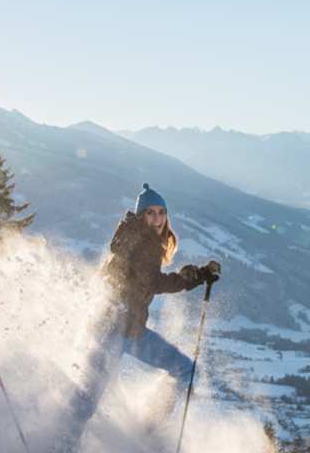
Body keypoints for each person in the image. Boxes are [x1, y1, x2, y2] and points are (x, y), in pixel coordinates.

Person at [56, 183, 221, 451]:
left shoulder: (135, 238)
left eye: (161, 212)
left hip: (127, 329)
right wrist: (197, 276)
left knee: (183, 371)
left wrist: (196, 276)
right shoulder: (142, 242)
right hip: (114, 328)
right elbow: (154, 282)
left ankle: (136, 432)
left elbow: (138, 279)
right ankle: (140, 432)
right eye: (150, 213)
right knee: (89, 397)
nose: (157, 218)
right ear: (141, 215)